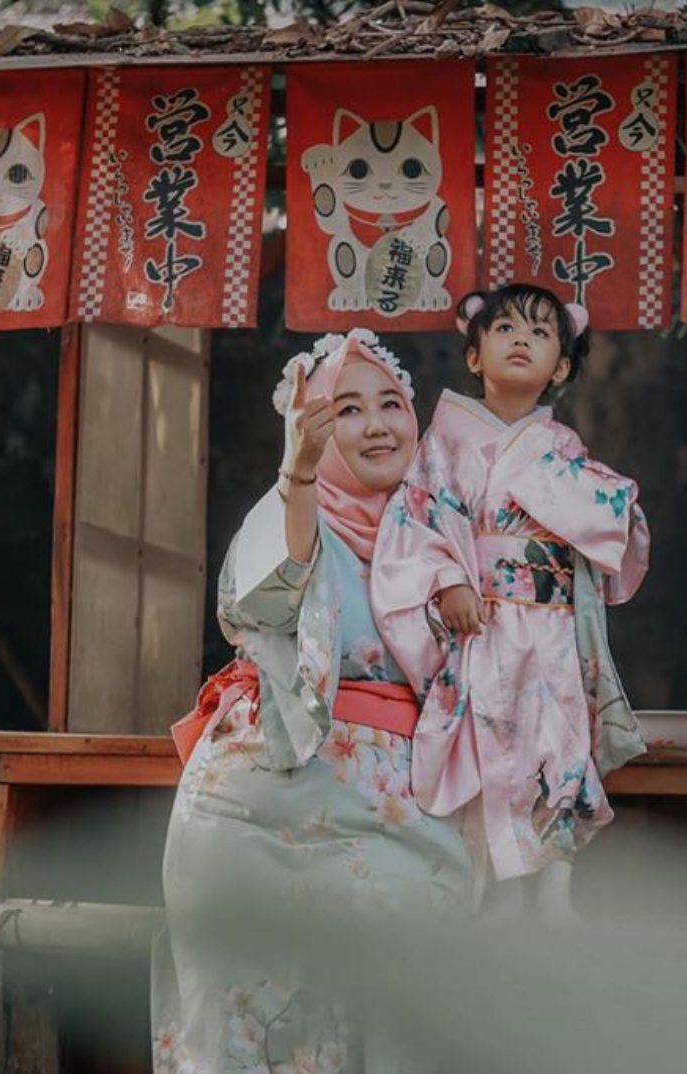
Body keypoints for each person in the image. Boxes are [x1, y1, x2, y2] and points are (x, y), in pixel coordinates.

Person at [155, 331, 473, 1074]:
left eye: (391, 404)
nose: (377, 425)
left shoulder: (443, 534)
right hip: (258, 798)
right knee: (236, 998)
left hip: (394, 816)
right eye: (348, 410)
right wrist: (297, 478)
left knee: (409, 980)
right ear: (313, 432)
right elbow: (262, 603)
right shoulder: (288, 510)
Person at [370, 283, 649, 923]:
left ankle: (555, 889)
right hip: (485, 622)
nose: (521, 339)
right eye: (504, 330)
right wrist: (448, 582)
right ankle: (499, 887)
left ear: (563, 367)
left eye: (541, 333)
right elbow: (418, 520)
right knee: (489, 747)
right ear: (474, 357)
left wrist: (577, 500)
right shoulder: (443, 442)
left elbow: (612, 520)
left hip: (550, 628)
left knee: (559, 746)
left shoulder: (565, 448)